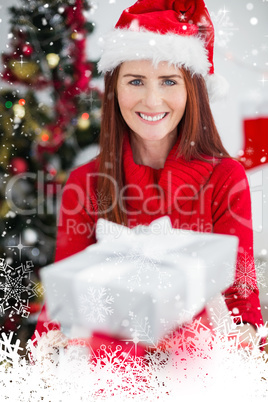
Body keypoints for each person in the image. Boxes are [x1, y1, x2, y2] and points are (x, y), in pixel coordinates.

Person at [34, 0, 263, 351]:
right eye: (136, 81)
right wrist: (54, 345)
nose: (152, 101)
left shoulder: (225, 177)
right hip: (109, 364)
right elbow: (66, 301)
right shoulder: (86, 183)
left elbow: (240, 296)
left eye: (169, 81)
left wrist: (237, 339)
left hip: (197, 365)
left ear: (192, 90)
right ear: (115, 89)